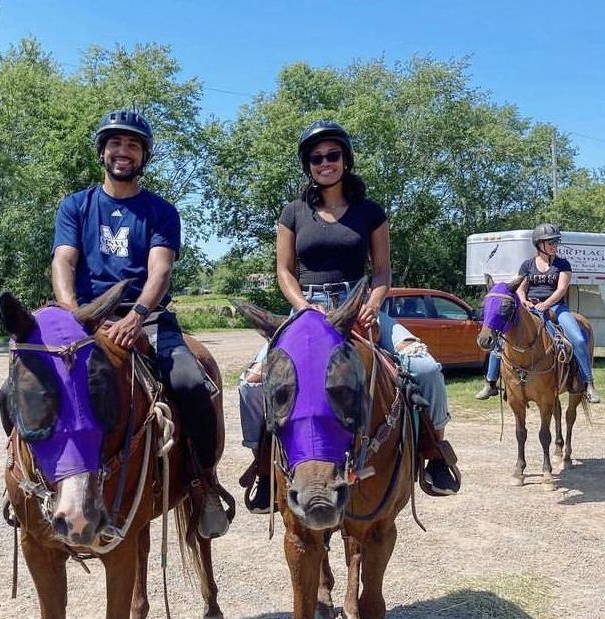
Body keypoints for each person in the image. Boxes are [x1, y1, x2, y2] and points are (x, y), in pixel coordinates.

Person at [239, 120, 461, 512]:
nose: (325, 163)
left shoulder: (369, 212)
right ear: (308, 166)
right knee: (252, 383)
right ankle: (261, 466)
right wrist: (306, 310)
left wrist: (374, 304)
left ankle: (434, 451)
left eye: (332, 155)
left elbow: (382, 271)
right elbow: (284, 272)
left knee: (424, 367)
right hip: (306, 307)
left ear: (346, 160)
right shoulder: (292, 213)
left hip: (359, 305)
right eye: (316, 158)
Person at [51, 109, 230, 539]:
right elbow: (63, 260)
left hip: (146, 319)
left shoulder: (160, 211)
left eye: (133, 145)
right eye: (115, 143)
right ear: (102, 151)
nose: (123, 151)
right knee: (27, 381)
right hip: (87, 317)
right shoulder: (76, 205)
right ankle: (28, 484)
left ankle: (203, 484)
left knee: (190, 383)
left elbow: (160, 270)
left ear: (143, 155)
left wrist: (137, 316)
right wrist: (73, 311)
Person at [476, 223, 600, 403]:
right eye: (550, 242)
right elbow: (521, 287)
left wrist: (546, 304)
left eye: (555, 241)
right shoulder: (527, 265)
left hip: (556, 308)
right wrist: (524, 300)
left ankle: (587, 383)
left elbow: (561, 289)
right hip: (530, 308)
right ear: (539, 244)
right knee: (501, 338)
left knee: (579, 339)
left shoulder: (562, 264)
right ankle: (491, 383)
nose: (554, 245)